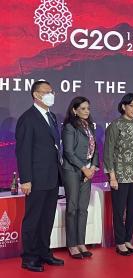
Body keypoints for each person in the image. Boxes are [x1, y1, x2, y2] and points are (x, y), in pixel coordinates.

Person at [16, 80, 64, 272]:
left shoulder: (51, 116)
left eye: (52, 91)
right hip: (35, 178)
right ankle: (29, 257)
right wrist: (26, 179)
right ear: (36, 95)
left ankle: (44, 252)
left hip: (52, 177)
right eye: (46, 92)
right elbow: (23, 151)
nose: (51, 94)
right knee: (33, 218)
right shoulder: (28, 118)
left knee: (47, 218)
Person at [103, 93, 133, 255]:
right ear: (123, 106)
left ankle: (128, 240)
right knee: (119, 209)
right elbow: (108, 152)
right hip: (120, 176)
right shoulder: (115, 125)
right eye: (132, 106)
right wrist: (112, 176)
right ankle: (119, 242)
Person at [62, 96, 99, 258]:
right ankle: (72, 244)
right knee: (72, 208)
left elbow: (95, 149)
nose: (86, 111)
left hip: (87, 171)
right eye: (83, 108)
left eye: (88, 108)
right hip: (72, 170)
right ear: (74, 110)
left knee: (83, 208)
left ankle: (81, 242)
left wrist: (93, 167)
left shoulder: (90, 126)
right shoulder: (70, 127)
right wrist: (84, 168)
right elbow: (68, 152)